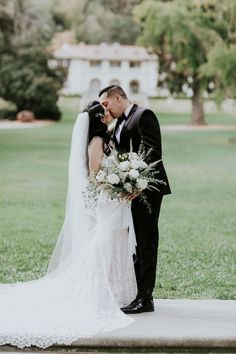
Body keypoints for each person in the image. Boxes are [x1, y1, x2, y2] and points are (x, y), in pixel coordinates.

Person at [0, 102, 137, 349]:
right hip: (107, 200)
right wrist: (119, 187)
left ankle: (115, 289)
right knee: (104, 241)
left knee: (112, 240)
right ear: (98, 119)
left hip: (112, 201)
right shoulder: (96, 141)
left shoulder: (103, 137)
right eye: (105, 112)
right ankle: (100, 288)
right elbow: (95, 173)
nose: (109, 114)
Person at [99, 85, 171, 314]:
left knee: (146, 241)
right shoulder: (119, 122)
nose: (105, 108)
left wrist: (138, 183)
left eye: (106, 103)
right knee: (135, 243)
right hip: (128, 190)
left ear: (118, 97)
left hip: (146, 190)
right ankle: (136, 293)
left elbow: (153, 153)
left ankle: (145, 298)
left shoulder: (144, 115)